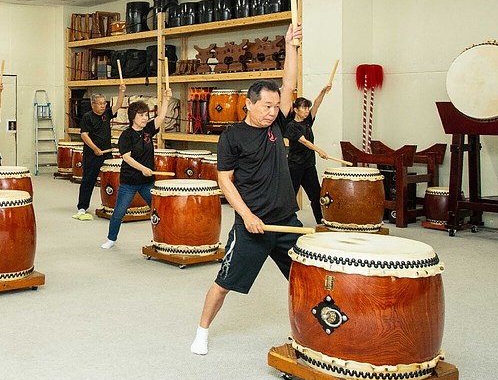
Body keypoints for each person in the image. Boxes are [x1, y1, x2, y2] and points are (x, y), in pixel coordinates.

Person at [190, 24, 303, 355]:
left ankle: (310, 334)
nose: (272, 111)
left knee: (306, 279)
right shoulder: (232, 136)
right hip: (252, 225)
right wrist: (247, 215)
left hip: (285, 222)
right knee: (224, 284)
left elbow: (289, 82)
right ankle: (202, 332)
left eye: (275, 106)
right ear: (250, 105)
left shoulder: (278, 123)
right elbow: (224, 179)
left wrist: (290, 45)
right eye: (266, 106)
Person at [101, 87, 172, 249]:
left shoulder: (148, 131)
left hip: (147, 181)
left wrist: (166, 99)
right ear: (133, 117)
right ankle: (111, 239)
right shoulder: (126, 135)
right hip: (130, 181)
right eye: (141, 115)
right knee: (119, 212)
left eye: (146, 115)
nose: (145, 118)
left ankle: (165, 237)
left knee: (157, 211)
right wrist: (142, 168)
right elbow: (127, 158)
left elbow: (161, 117)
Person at [73, 86, 126, 220]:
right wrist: (95, 148)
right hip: (92, 154)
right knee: (88, 181)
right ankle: (82, 207)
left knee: (111, 179)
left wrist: (121, 91)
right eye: (100, 103)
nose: (103, 106)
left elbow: (119, 104)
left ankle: (112, 205)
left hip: (107, 153)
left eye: (104, 103)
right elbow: (84, 135)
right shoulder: (87, 117)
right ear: (93, 105)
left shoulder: (106, 114)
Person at [285, 85, 332, 224]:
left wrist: (322, 91)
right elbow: (304, 142)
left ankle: (321, 221)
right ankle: (285, 222)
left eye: (307, 108)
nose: (307, 111)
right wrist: (319, 150)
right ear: (296, 110)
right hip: (295, 166)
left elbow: (317, 105)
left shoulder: (307, 122)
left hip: (308, 165)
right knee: (290, 195)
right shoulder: (291, 126)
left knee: (316, 195)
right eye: (304, 108)